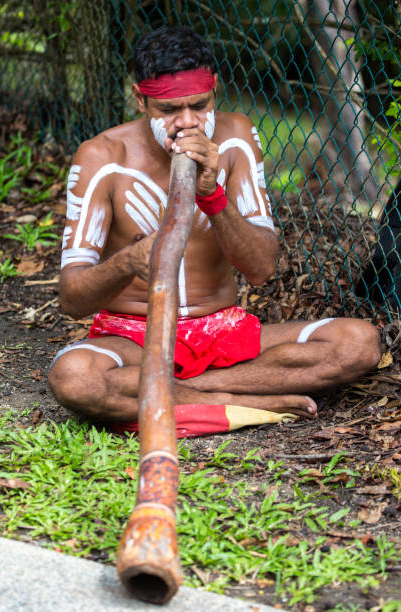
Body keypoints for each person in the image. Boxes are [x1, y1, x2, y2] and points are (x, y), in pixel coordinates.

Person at [48, 26, 381, 432]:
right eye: (169, 110)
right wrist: (126, 263)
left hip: (223, 335)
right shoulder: (102, 157)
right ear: (140, 99)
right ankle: (240, 397)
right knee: (75, 377)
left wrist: (213, 196)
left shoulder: (236, 138)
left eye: (199, 105)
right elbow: (72, 297)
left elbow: (260, 269)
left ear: (215, 90)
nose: (187, 122)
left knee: (357, 344)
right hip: (133, 338)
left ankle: (181, 394)